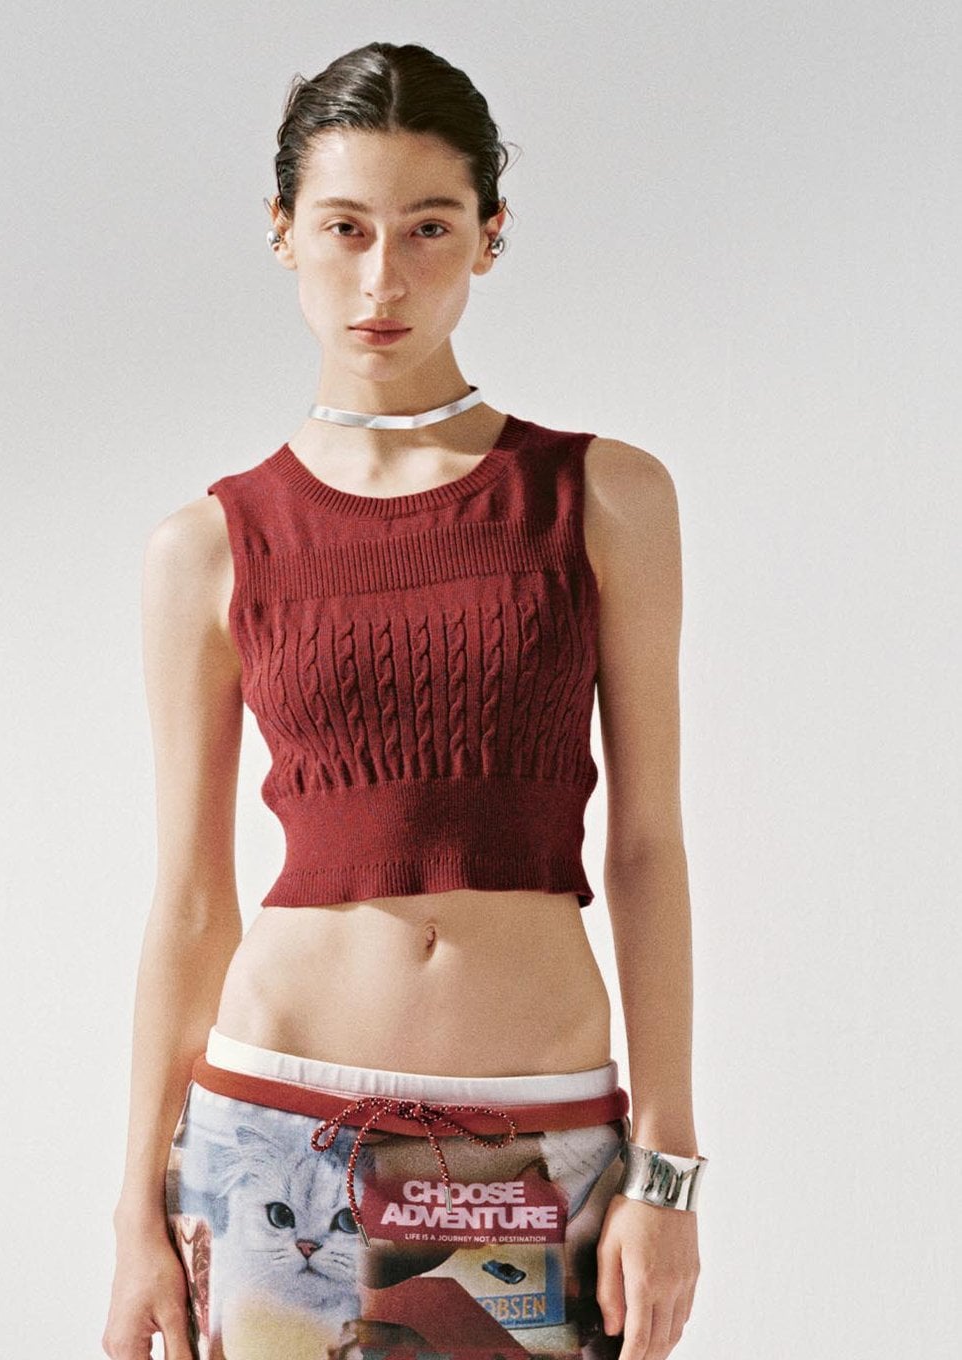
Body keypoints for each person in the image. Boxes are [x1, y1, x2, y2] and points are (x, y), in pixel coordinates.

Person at [102, 40, 705, 1360]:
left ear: (491, 233)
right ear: (283, 232)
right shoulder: (207, 548)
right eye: (345, 228)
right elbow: (192, 897)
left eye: (429, 227)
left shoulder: (603, 498)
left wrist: (667, 1174)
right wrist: (133, 1210)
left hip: (537, 1138)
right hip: (275, 1129)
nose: (383, 278)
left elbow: (648, 846)